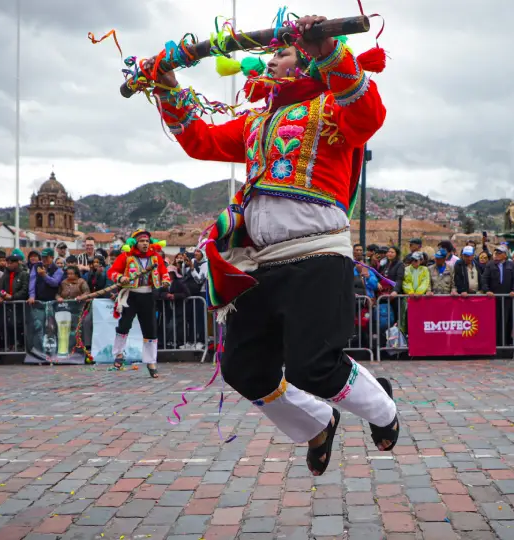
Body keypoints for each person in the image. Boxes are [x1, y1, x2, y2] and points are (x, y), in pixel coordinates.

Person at [145, 13, 397, 475]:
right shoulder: (255, 123)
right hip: (261, 265)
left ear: (305, 60)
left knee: (313, 367)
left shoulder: (331, 107)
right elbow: (199, 139)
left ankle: (384, 410)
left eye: (280, 52)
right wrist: (165, 83)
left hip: (318, 255)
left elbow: (368, 115)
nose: (270, 61)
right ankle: (317, 424)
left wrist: (330, 52)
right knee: (243, 369)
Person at [107, 229, 170, 377]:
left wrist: (166, 281)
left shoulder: (155, 258)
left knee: (150, 330)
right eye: (142, 241)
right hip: (131, 295)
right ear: (136, 243)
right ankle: (119, 354)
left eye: (147, 241)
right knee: (124, 325)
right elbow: (112, 272)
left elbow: (164, 272)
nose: (145, 244)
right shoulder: (126, 256)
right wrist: (121, 278)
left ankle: (151, 361)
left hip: (148, 296)